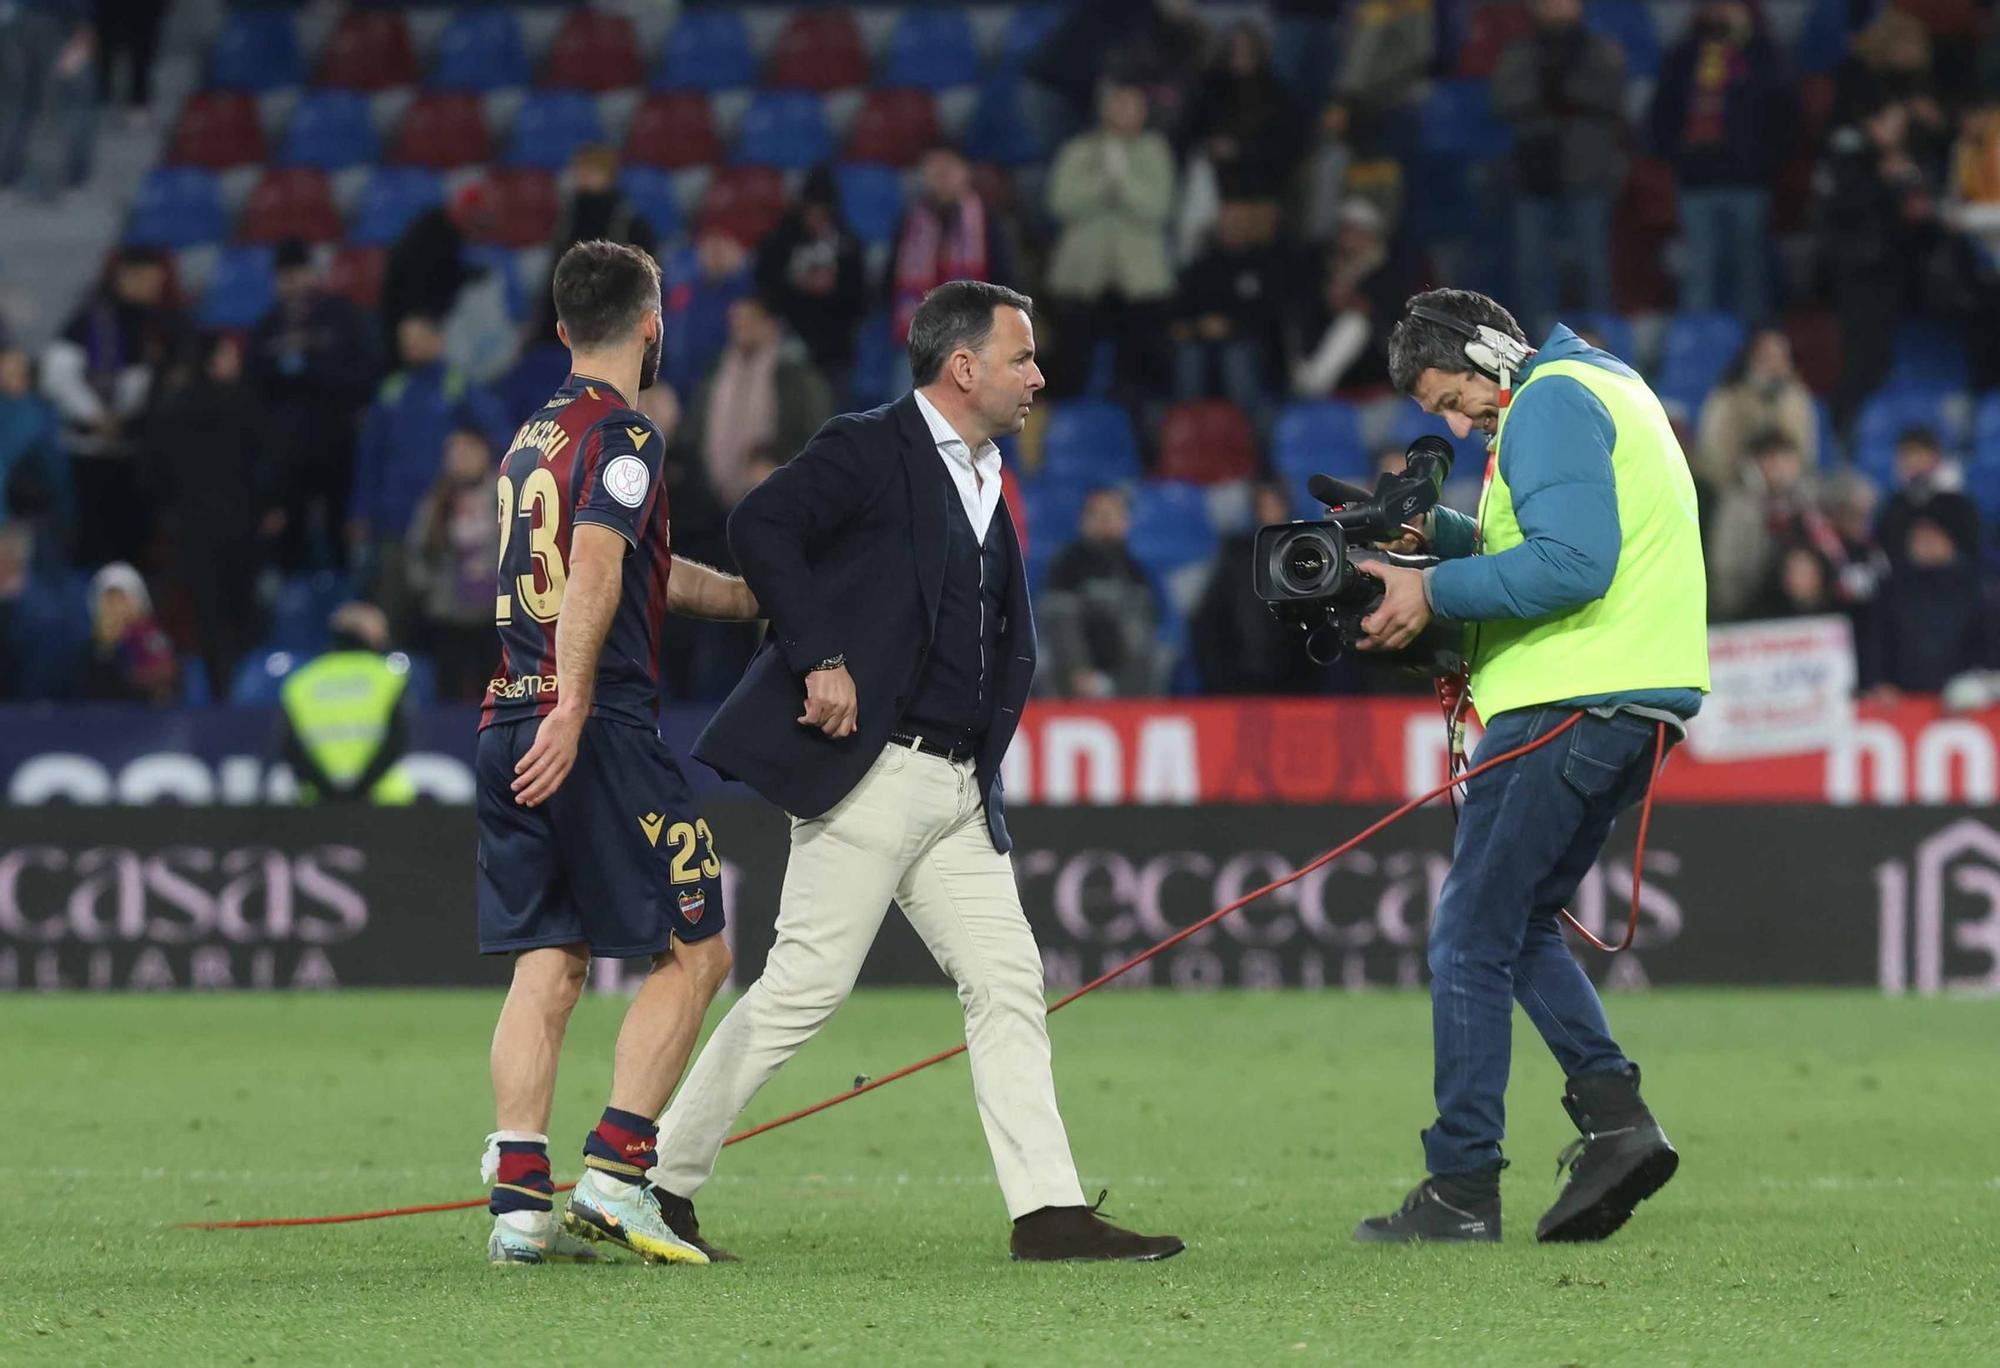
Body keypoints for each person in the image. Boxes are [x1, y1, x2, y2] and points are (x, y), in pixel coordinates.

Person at [658, 279, 1183, 1263]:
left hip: (952, 787)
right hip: (871, 772)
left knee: (1008, 982)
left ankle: (1048, 1213)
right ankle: (658, 1181)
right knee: (802, 989)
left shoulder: (983, 472)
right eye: (1022, 357)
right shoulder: (870, 445)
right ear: (963, 366)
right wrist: (817, 657)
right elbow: (757, 526)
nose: (1038, 375)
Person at [1353, 288, 1708, 1244]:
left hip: (1569, 698)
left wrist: (1429, 591)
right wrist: (1445, 542)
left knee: (1469, 933)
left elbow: (1572, 567)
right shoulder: (1604, 384)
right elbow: (1570, 545)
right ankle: (1616, 1122)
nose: (1453, 423)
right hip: (1627, 697)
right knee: (1517, 925)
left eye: (1449, 396)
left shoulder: (1546, 399)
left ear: (1485, 347)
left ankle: (1462, 1186)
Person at [476, 239, 758, 1268]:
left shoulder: (531, 436)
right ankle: (614, 1178)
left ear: (559, 331)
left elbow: (624, 561)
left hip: (505, 719)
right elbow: (594, 564)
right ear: (653, 324)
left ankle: (518, 1205)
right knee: (698, 953)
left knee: (548, 960)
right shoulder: (627, 430)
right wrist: (577, 701)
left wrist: (739, 599)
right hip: (591, 729)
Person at [348, 312, 507, 631]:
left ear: (439, 339)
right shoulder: (392, 389)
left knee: (444, 618)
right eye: (406, 341)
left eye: (419, 337)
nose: (412, 346)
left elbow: (499, 436)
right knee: (395, 616)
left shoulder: (456, 385)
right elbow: (369, 457)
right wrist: (360, 511)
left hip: (443, 522)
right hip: (394, 519)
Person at [145, 332, 282, 695]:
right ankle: (243, 691)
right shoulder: (244, 402)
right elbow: (270, 460)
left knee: (207, 615)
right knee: (241, 613)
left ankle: (219, 690)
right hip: (242, 523)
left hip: (193, 525)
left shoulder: (174, 405)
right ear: (215, 360)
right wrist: (271, 506)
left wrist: (171, 508)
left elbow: (153, 471)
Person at [41, 247, 190, 566]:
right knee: (95, 544)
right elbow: (56, 374)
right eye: (148, 279)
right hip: (91, 452)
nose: (154, 288)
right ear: (125, 275)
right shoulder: (89, 320)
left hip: (140, 452)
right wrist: (96, 416)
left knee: (135, 546)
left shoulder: (163, 323)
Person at [1490, 0, 1628, 336]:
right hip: (1532, 174)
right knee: (1531, 271)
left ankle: (1600, 346)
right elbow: (1501, 98)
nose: (1555, 7)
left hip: (1586, 173)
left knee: (1590, 267)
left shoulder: (1600, 49)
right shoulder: (1519, 51)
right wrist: (1545, 90)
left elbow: (1612, 94)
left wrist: (1566, 89)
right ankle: (1534, 346)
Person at [1648, 1, 1788, 320]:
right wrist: (1677, 156)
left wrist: (1765, 160)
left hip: (1749, 179)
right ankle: (1701, 354)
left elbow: (1783, 112)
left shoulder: (1763, 54)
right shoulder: (1685, 55)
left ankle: (1753, 354)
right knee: (1699, 273)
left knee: (1750, 272)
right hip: (1697, 180)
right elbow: (1663, 111)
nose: (1723, 13)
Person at [247, 238, 382, 570]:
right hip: (285, 453)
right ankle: (296, 614)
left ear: (312, 273)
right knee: (289, 543)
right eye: (285, 274)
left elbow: (367, 376)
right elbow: (252, 389)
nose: (292, 281)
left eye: (298, 272)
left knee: (340, 538)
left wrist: (315, 372)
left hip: (335, 442)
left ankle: (341, 608)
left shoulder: (341, 316)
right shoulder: (267, 327)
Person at [1044, 80, 1177, 399]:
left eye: (1133, 105)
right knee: (1068, 375)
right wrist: (1105, 182)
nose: (1125, 112)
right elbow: (1060, 202)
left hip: (1140, 286)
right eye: (1118, 103)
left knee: (1141, 381)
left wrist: (1123, 182)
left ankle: (1142, 441)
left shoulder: (1155, 152)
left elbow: (1158, 207)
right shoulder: (1077, 150)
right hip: (1081, 282)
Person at [1817, 95, 1940, 431]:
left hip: (1892, 274)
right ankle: (1841, 431)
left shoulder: (1908, 161)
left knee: (1880, 363)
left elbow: (1914, 220)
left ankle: (1860, 432)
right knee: (1861, 362)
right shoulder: (1850, 159)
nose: (1896, 131)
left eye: (1901, 124)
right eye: (1890, 122)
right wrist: (1886, 182)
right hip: (1858, 275)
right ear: (1872, 124)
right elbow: (1841, 211)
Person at [686, 293, 834, 510]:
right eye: (736, 320)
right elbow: (696, 427)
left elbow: (816, 436)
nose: (740, 327)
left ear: (770, 324)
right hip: (713, 496)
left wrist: (779, 465)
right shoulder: (716, 372)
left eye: (749, 319)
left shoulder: (796, 376)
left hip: (778, 493)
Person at [888, 146, 1018, 371]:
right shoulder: (910, 222)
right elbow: (890, 280)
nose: (941, 177)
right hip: (918, 339)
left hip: (975, 339)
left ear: (965, 172)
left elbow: (1006, 280)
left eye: (948, 169)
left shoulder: (987, 221)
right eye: (934, 170)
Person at [1191, 482, 1326, 694]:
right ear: (1255, 510)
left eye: (1275, 504)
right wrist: (1219, 681)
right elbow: (1208, 624)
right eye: (1264, 505)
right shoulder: (1237, 559)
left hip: (1297, 686)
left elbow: (1319, 626)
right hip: (1241, 683)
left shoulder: (1307, 557)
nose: (1271, 511)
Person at [277, 602, 416, 804]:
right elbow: (397, 741)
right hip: (384, 804)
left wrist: (329, 792)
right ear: (369, 634)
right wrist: (360, 790)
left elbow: (290, 748)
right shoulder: (390, 678)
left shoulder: (301, 682)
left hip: (319, 806)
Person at [405, 426, 502, 703]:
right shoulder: (435, 499)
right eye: (452, 452)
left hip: (496, 618)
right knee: (448, 696)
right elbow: (417, 551)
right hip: (448, 616)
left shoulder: (506, 490)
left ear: (484, 452)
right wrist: (428, 589)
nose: (458, 458)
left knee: (496, 694)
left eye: (466, 450)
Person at [1038, 485, 1163, 698]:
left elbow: (1142, 631)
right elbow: (1061, 623)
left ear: (1126, 522)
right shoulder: (1066, 565)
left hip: (1124, 677)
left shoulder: (1136, 572)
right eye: (1097, 514)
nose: (1105, 521)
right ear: (1083, 522)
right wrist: (1078, 668)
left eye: (1112, 514)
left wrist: (1116, 682)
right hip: (1075, 673)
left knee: (1158, 659)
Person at [1171, 197, 1285, 419]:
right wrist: (1198, 327)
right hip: (1202, 342)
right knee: (1188, 355)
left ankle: (1250, 436)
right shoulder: (1201, 267)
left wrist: (1231, 326)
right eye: (1228, 222)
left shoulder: (1265, 264)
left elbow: (1270, 317)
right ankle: (1185, 433)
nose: (1233, 228)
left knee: (1235, 358)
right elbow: (1180, 314)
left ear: (1250, 227)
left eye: (1239, 222)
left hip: (1248, 345)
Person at [756, 165, 869, 389]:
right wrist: (796, 286)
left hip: (834, 352)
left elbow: (860, 300)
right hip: (786, 344)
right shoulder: (780, 241)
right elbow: (764, 286)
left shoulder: (848, 245)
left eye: (822, 212)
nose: (815, 218)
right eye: (811, 211)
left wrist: (832, 289)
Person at [1693, 328, 1818, 494]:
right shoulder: (1726, 400)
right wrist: (1756, 472)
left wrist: (1783, 469)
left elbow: (1806, 453)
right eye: (1767, 357)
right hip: (1736, 490)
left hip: (1792, 490)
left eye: (1782, 357)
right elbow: (1716, 462)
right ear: (1751, 359)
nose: (1776, 365)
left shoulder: (1797, 400)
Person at [1874, 426, 1982, 569]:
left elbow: (1971, 550)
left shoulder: (1958, 504)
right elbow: (1886, 549)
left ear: (1935, 457)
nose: (1910, 461)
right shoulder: (1895, 504)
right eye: (1905, 455)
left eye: (1916, 453)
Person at [80, 561, 175, 704]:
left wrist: (133, 675)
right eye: (110, 600)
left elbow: (166, 672)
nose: (116, 608)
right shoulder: (90, 646)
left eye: (122, 599)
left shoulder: (147, 635)